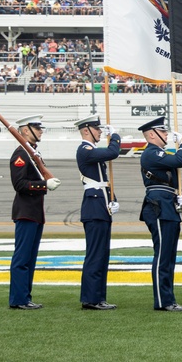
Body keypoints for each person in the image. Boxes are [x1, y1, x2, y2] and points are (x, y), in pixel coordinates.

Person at [9, 114, 61, 310]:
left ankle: (25, 297)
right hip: (26, 212)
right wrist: (44, 184)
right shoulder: (21, 155)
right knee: (22, 258)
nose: (40, 131)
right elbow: (19, 184)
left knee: (30, 259)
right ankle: (18, 299)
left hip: (35, 212)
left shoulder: (31, 153)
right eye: (36, 128)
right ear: (24, 131)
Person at [138, 116, 182, 311]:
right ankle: (162, 300)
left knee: (169, 255)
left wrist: (179, 195)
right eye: (163, 131)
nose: (166, 134)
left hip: (167, 204)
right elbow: (179, 160)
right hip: (158, 206)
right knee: (162, 255)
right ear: (152, 134)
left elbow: (172, 175)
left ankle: (168, 298)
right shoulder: (151, 153)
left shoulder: (160, 153)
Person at [75, 116, 121, 310]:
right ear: (86, 131)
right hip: (94, 208)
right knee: (95, 255)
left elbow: (103, 182)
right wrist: (116, 137)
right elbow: (113, 152)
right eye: (97, 129)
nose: (100, 132)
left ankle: (98, 297)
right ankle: (90, 298)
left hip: (102, 206)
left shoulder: (92, 151)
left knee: (102, 255)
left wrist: (113, 199)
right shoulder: (84, 150)